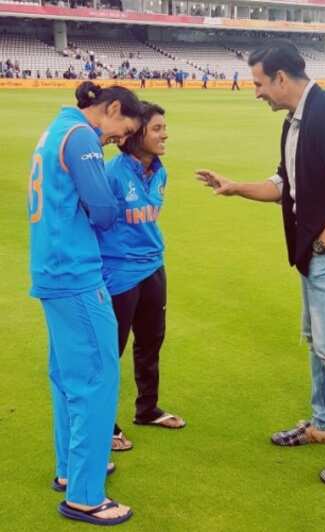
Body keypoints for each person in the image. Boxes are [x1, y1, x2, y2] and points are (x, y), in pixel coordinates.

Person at [196, 40, 325, 485]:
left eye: (260, 83)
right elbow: (282, 184)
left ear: (281, 78)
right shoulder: (295, 121)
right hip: (313, 252)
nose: (257, 92)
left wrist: (323, 244)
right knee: (317, 341)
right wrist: (235, 187)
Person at [28, 81, 142, 525]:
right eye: (117, 133)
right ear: (110, 107)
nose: (112, 142)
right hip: (75, 274)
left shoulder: (57, 128)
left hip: (52, 270)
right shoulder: (80, 137)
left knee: (67, 378)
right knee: (96, 379)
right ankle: (85, 495)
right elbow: (105, 209)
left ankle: (70, 471)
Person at [96, 102, 185, 452]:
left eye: (165, 127)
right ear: (136, 136)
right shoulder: (112, 174)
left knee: (151, 342)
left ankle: (147, 409)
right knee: (111, 351)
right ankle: (105, 424)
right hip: (118, 273)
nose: (165, 134)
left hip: (153, 267)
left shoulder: (160, 171)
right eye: (158, 129)